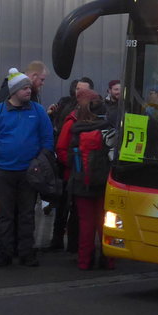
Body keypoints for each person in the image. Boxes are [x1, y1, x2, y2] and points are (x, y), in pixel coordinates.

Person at [0, 68, 53, 267]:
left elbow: (47, 139)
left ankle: (26, 252)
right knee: (5, 215)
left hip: (29, 173)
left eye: (29, 88)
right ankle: (5, 252)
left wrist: (38, 162)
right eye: (24, 88)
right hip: (3, 172)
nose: (29, 91)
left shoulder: (38, 111)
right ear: (13, 91)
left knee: (27, 214)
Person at [56, 88, 114, 270]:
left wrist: (75, 170)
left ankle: (84, 261)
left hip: (81, 183)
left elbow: (64, 151)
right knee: (105, 223)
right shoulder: (108, 129)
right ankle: (108, 260)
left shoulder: (75, 128)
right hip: (104, 183)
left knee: (86, 223)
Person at [45, 76, 92, 253]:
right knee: (62, 205)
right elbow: (61, 140)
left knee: (77, 210)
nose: (79, 92)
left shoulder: (94, 113)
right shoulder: (67, 109)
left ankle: (75, 244)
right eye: (78, 88)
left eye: (84, 89)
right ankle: (57, 239)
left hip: (82, 170)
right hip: (67, 167)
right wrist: (69, 162)